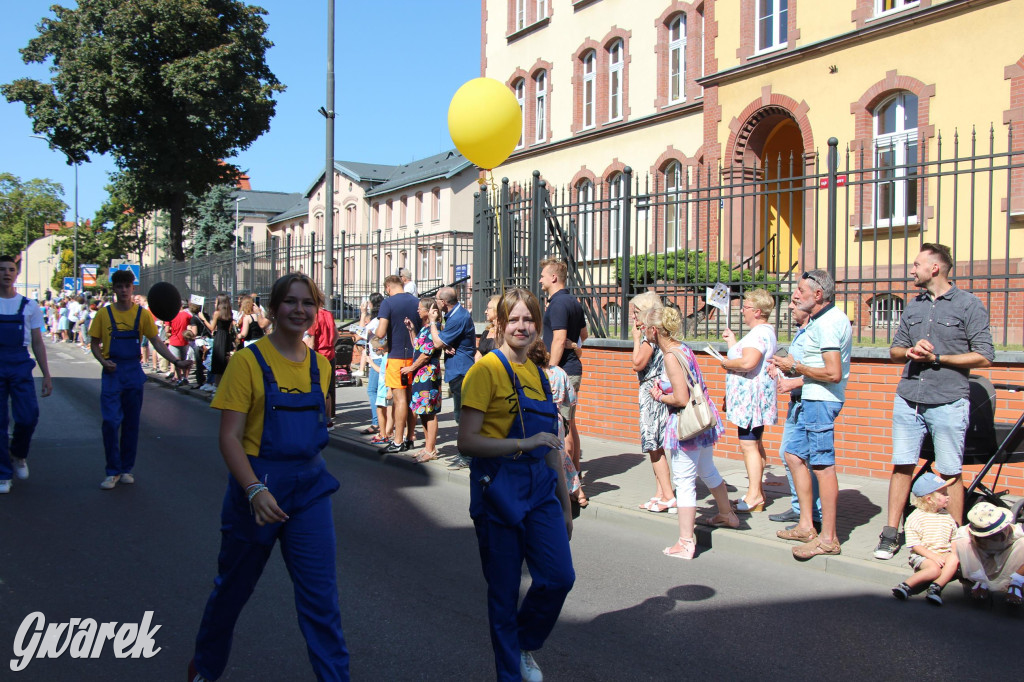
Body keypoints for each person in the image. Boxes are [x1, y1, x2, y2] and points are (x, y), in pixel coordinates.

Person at [189, 273, 349, 682]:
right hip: (256, 490)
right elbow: (229, 438)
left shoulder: (322, 366)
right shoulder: (247, 362)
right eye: (291, 302)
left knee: (322, 603)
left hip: (310, 491)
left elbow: (321, 427)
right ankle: (205, 669)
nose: (300, 310)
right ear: (274, 309)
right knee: (231, 592)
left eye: (308, 303)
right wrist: (254, 488)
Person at [458, 288, 574, 682]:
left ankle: (524, 643)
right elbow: (466, 441)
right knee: (504, 594)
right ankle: (509, 673)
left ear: (538, 327)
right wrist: (521, 444)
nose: (522, 326)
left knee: (559, 578)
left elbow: (552, 444)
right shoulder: (485, 370)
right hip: (499, 486)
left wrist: (566, 502)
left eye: (529, 320)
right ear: (500, 323)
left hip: (541, 487)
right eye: (515, 319)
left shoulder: (539, 375)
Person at [874, 243, 994, 560]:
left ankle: (956, 540)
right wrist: (910, 352)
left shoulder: (969, 305)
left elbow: (984, 356)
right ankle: (890, 533)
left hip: (949, 399)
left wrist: (938, 357)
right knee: (902, 464)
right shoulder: (913, 307)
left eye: (917, 265)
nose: (912, 270)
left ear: (935, 268)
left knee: (950, 470)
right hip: (909, 397)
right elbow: (894, 351)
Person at [769, 269, 852, 560]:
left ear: (818, 295)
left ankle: (828, 538)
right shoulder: (820, 321)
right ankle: (806, 525)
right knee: (792, 454)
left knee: (823, 466)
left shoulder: (829, 323)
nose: (795, 295)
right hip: (810, 399)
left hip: (821, 401)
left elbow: (832, 372)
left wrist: (795, 369)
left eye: (801, 291)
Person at [646, 305, 737, 559]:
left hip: (687, 427)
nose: (644, 332)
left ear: (655, 331)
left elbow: (681, 398)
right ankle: (727, 514)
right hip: (703, 421)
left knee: (684, 482)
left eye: (645, 328)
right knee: (707, 470)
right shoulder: (682, 347)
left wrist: (660, 396)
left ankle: (686, 542)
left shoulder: (670, 356)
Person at [89, 270, 192, 489]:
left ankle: (126, 469)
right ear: (114, 289)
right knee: (110, 422)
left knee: (131, 423)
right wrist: (102, 361)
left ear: (132, 288)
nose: (124, 290)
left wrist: (177, 361)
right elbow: (94, 343)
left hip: (133, 372)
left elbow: (156, 342)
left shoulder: (142, 315)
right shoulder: (103, 315)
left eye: (127, 286)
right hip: (112, 372)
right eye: (119, 286)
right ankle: (112, 470)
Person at [720, 288, 778, 512]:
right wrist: (733, 342)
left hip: (751, 401)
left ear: (756, 311)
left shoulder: (758, 334)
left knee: (749, 445)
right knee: (755, 444)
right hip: (755, 398)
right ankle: (756, 492)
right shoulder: (763, 332)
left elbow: (747, 363)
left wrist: (726, 363)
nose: (742, 311)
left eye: (744, 308)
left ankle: (754, 495)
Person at [767, 300, 822, 528]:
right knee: (788, 455)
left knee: (804, 459)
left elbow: (822, 371)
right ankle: (800, 508)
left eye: (795, 303)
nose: (790, 307)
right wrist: (779, 367)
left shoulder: (816, 332)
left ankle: (814, 515)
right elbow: (796, 363)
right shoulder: (802, 331)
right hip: (797, 401)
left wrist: (794, 382)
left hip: (809, 401)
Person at [0, 256, 52, 495]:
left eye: (11, 269)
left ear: (16, 274)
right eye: (2, 270)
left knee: (28, 417)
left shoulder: (29, 306)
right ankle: (3, 474)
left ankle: (18, 454)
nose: (6, 273)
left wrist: (47, 375)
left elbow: (38, 343)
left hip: (20, 364)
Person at [539, 258, 588, 505]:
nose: (540, 280)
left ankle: (571, 486)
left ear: (554, 278)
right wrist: (573, 346)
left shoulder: (558, 303)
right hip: (572, 368)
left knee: (563, 425)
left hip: (563, 371)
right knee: (569, 422)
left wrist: (551, 370)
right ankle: (575, 474)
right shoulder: (573, 301)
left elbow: (558, 340)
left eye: (543, 276)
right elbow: (584, 335)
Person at [629, 292, 673, 513]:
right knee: (655, 445)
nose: (634, 319)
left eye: (636, 313)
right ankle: (660, 492)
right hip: (654, 390)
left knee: (654, 444)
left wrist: (636, 340)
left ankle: (668, 495)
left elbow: (637, 363)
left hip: (652, 392)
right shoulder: (656, 336)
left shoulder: (648, 338)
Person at [890, 474, 960, 606]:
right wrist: (933, 556)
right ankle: (905, 586)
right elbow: (914, 544)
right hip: (923, 556)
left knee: (954, 559)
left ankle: (936, 587)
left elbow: (954, 537)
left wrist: (954, 554)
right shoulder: (915, 518)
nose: (948, 496)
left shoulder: (947, 516)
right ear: (929, 499)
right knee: (934, 569)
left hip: (944, 554)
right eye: (944, 493)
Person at [428, 287, 478, 470]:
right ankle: (465, 454)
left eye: (436, 299)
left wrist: (433, 323)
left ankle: (468, 456)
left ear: (443, 302)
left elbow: (437, 342)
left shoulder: (458, 317)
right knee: (461, 416)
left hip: (461, 371)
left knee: (462, 416)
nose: (435, 303)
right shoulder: (456, 315)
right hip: (458, 369)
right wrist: (446, 343)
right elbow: (445, 341)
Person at [374, 275, 421, 453]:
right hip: (414, 356)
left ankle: (398, 440)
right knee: (410, 400)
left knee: (399, 400)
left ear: (388, 288)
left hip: (396, 357)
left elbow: (380, 332)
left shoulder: (388, 303)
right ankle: (410, 438)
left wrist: (375, 336)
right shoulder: (416, 301)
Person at [953, 502, 1024, 606]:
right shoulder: (965, 533)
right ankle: (980, 581)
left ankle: (1015, 583)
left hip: (1004, 566)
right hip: (981, 565)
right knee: (962, 543)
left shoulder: (1013, 531)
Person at [401, 297, 443, 462]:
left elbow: (426, 354)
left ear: (428, 311)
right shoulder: (425, 328)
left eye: (420, 308)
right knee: (423, 412)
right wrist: (411, 331)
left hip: (428, 374)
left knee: (430, 412)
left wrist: (411, 368)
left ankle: (431, 450)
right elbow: (418, 347)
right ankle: (427, 447)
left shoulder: (435, 328)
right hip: (421, 374)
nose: (417, 310)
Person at [304, 302, 338, 430]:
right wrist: (330, 346)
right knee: (327, 390)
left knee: (317, 389)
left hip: (318, 355)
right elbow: (336, 335)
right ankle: (327, 420)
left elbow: (311, 343)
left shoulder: (314, 316)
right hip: (330, 354)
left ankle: (319, 420)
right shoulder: (328, 314)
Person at [359, 293, 385, 435]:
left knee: (373, 390)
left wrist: (363, 315)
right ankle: (382, 422)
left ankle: (377, 423)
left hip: (377, 358)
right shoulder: (382, 319)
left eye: (369, 303)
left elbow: (360, 333)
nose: (367, 305)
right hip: (380, 356)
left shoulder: (375, 322)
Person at [199, 295, 234, 392]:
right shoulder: (229, 313)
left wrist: (203, 319)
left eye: (216, 301)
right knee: (224, 361)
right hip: (226, 337)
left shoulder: (217, 313)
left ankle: (217, 385)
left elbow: (211, 328)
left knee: (217, 360)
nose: (215, 303)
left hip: (219, 336)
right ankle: (218, 384)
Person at [167, 300, 193, 385]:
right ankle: (185, 378)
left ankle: (179, 378)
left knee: (176, 362)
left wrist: (169, 334)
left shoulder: (170, 315)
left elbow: (167, 330)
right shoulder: (187, 315)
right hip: (184, 341)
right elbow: (190, 326)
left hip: (174, 341)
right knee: (184, 360)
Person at [475, 294, 501, 360]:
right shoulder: (486, 332)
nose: (485, 312)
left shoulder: (506, 333)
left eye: (488, 308)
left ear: (496, 309)